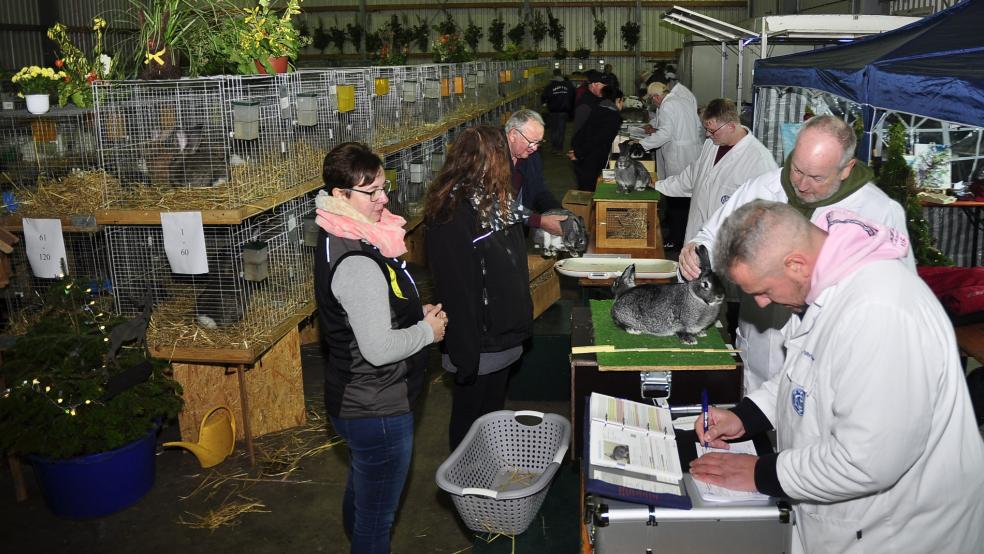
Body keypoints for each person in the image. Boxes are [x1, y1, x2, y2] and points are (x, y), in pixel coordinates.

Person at [690, 200, 984, 553]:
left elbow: (866, 459)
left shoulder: (881, 313)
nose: (763, 304)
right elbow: (808, 371)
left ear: (796, 264)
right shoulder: (829, 280)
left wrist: (759, 473)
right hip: (842, 519)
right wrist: (745, 416)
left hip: (895, 532)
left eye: (763, 291)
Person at [678, 115, 914, 393]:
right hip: (760, 353)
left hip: (830, 367)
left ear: (846, 169)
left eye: (816, 177)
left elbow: (898, 301)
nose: (801, 185)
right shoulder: (762, 187)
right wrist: (694, 252)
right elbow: (712, 236)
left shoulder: (878, 211)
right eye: (797, 170)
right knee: (758, 421)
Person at [314, 142, 447, 554]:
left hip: (355, 398)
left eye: (384, 187)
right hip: (377, 407)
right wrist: (426, 332)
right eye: (372, 191)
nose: (383, 198)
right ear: (341, 196)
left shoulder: (343, 233)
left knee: (364, 489)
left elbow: (367, 314)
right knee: (377, 522)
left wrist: (409, 315)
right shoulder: (355, 260)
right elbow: (376, 348)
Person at [424, 126, 534, 450]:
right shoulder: (452, 213)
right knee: (470, 421)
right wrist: (465, 354)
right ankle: (464, 487)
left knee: (490, 418)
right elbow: (456, 286)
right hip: (479, 344)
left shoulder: (494, 199)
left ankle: (484, 480)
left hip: (502, 337)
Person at [649, 98, 777, 243]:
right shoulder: (711, 144)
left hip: (727, 246)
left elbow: (764, 216)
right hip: (696, 236)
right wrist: (657, 185)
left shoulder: (759, 160)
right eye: (706, 129)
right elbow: (692, 177)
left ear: (731, 126)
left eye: (712, 130)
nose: (708, 135)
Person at [639, 77, 703, 249]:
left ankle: (676, 240)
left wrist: (641, 145)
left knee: (676, 196)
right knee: (687, 196)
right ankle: (682, 234)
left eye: (653, 100)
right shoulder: (682, 100)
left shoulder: (667, 105)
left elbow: (666, 133)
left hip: (678, 154)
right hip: (692, 151)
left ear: (656, 97)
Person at [504, 109, 566, 236]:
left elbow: (538, 190)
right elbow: (495, 206)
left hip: (517, 228)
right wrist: (539, 221)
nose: (535, 148)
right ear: (512, 135)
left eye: (538, 143)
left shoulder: (532, 156)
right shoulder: (490, 159)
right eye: (531, 142)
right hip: (487, 232)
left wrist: (559, 214)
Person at [569, 86, 624, 191]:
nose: (623, 104)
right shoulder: (613, 116)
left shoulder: (598, 108)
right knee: (589, 191)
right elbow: (598, 139)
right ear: (617, 100)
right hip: (589, 158)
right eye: (622, 101)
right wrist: (578, 153)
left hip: (583, 153)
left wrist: (577, 151)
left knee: (585, 189)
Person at [540, 68, 575, 152]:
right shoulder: (568, 85)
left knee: (553, 129)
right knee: (561, 130)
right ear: (561, 74)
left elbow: (544, 97)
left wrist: (544, 104)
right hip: (564, 111)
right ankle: (559, 148)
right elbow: (573, 96)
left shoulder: (550, 86)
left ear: (554, 74)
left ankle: (554, 147)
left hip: (552, 111)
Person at [571, 69, 609, 136]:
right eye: (603, 85)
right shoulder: (585, 104)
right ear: (594, 85)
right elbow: (578, 129)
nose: (606, 88)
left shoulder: (601, 98)